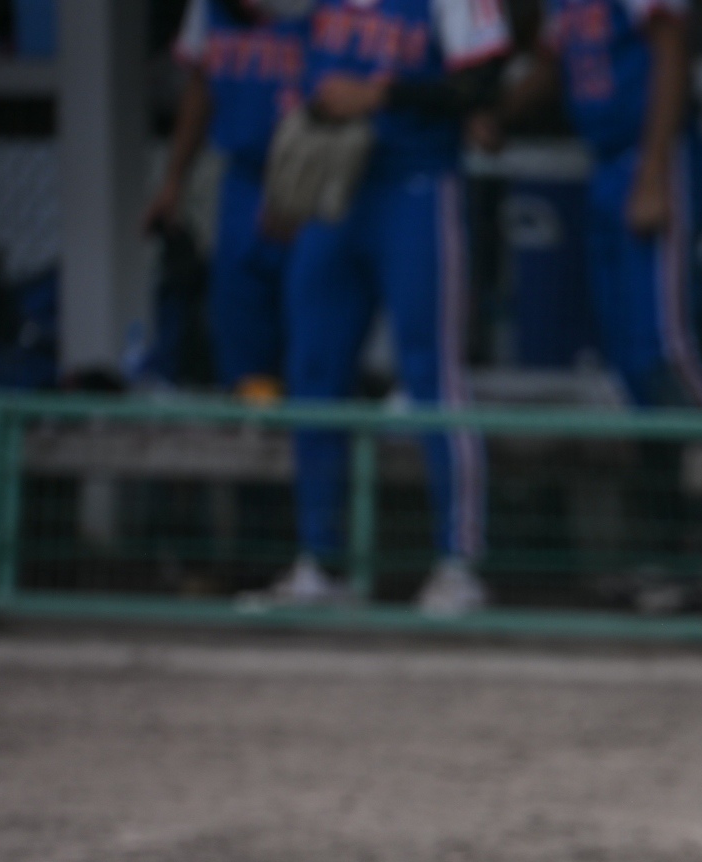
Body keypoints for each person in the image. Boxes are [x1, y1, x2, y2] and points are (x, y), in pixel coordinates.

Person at [260, 0, 510, 617]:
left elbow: (482, 83)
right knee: (313, 370)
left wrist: (379, 95)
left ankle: (459, 565)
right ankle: (321, 563)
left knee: (431, 372)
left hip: (417, 184)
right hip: (335, 187)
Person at [476, 0, 702, 406]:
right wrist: (496, 115)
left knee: (662, 346)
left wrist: (654, 173)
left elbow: (672, 49)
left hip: (656, 156)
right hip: (606, 163)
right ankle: (658, 447)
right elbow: (553, 65)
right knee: (621, 340)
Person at [148, 0, 307, 398]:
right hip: (244, 179)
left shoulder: (322, 10)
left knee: (314, 331)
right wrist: (173, 180)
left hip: (311, 180)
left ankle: (312, 426)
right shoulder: (209, 8)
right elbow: (200, 85)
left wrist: (298, 189)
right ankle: (255, 422)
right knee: (239, 323)